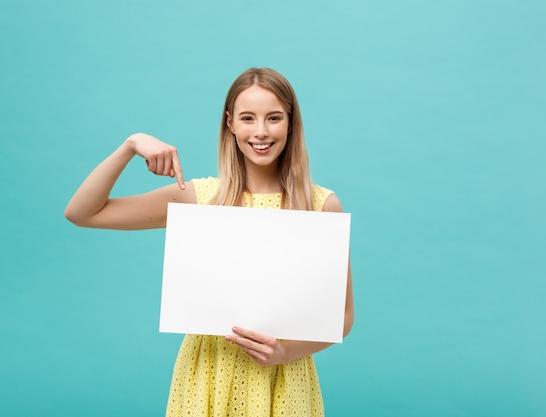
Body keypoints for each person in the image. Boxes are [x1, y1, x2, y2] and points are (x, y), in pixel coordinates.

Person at [65, 67, 354, 416]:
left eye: (274, 118)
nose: (261, 131)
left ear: (291, 124)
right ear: (230, 124)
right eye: (248, 118)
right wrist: (131, 144)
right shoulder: (200, 199)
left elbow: (343, 316)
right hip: (207, 376)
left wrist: (284, 353)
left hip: (284, 379)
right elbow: (83, 213)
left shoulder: (320, 205)